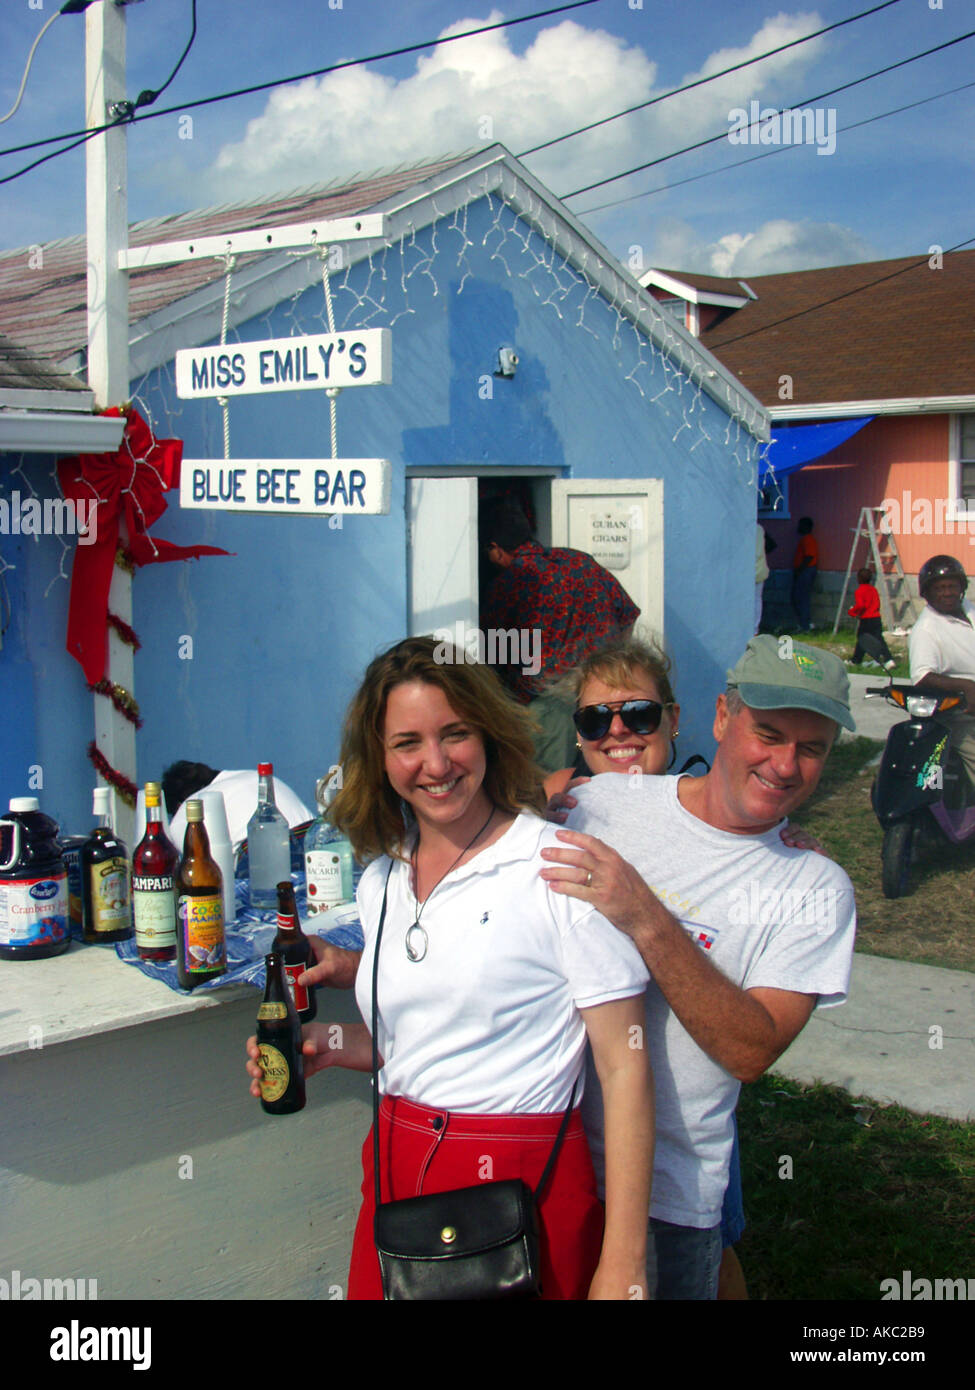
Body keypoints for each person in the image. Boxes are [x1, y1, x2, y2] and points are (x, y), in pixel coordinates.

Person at [245, 636, 654, 1300]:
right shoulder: (382, 879)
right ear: (379, 760)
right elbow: (425, 1041)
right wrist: (328, 1046)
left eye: (454, 734)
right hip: (397, 1184)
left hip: (521, 1196)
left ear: (488, 736)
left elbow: (624, 1067)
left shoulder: (555, 867)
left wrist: (624, 1266)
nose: (434, 763)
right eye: (407, 742)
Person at [539, 634, 858, 1300]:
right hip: (548, 1159)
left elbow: (749, 1049)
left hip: (667, 1200)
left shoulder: (814, 889)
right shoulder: (600, 803)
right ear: (720, 718)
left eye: (810, 748)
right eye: (766, 734)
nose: (782, 764)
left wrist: (645, 915)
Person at [479, 498, 640, 773]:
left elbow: (490, 652)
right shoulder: (579, 561)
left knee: (552, 790)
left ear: (496, 549)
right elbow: (628, 614)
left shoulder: (508, 584)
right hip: (603, 695)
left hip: (548, 707)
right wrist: (609, 664)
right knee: (606, 781)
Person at [908, 554, 975, 802]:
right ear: (927, 593)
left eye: (952, 586)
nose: (947, 593)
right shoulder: (927, 629)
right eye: (940, 588)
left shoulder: (968, 609)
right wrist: (966, 686)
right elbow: (923, 676)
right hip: (960, 713)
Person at [162, 761, 312, 850]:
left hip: (265, 857)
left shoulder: (187, 811)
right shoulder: (254, 775)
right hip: (314, 842)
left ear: (178, 805)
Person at [848, 567, 896, 669]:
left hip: (866, 619)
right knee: (879, 639)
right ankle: (888, 659)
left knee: (862, 638)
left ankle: (856, 660)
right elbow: (877, 603)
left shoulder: (859, 591)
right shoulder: (873, 589)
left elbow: (861, 605)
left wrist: (852, 612)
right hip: (876, 617)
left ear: (859, 579)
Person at [791, 516, 818, 631]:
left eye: (801, 525)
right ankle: (803, 623)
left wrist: (799, 570)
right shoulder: (805, 539)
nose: (798, 527)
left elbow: (809, 556)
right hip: (805, 570)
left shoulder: (807, 539)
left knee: (801, 597)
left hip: (806, 571)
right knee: (799, 597)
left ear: (806, 527)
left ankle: (805, 625)